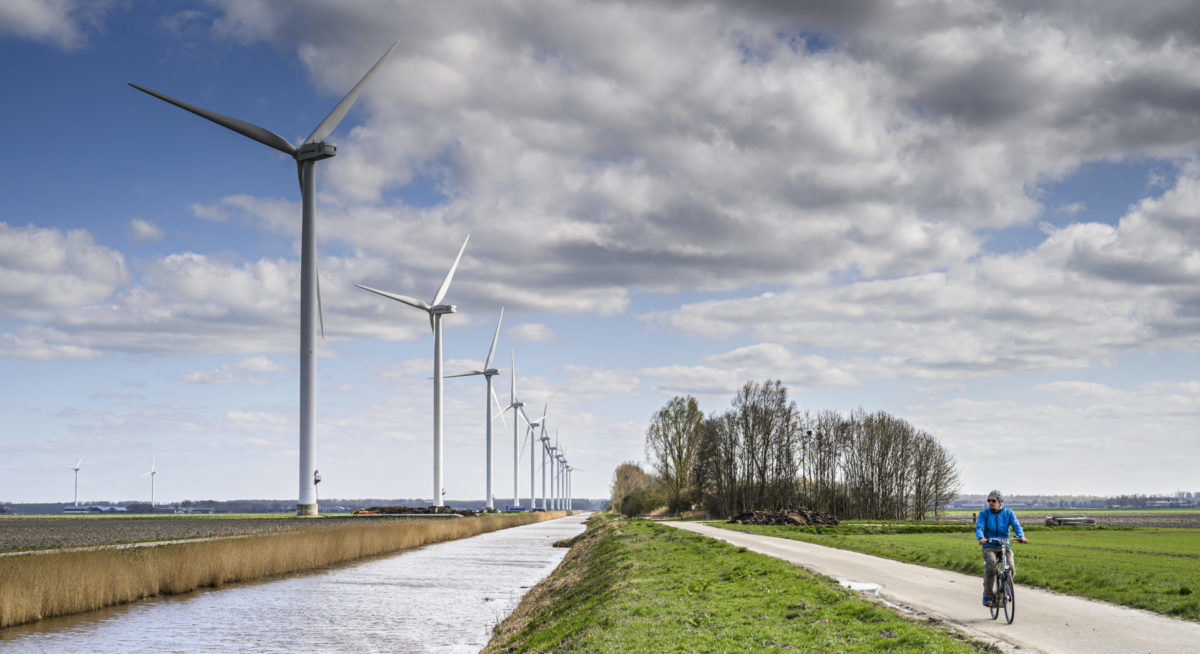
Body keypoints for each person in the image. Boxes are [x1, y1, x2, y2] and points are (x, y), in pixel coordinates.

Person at [975, 489, 1027, 606]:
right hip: (989, 546)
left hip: (1004, 545)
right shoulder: (984, 514)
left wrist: (1021, 536)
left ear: (999, 501)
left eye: (993, 500)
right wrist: (981, 538)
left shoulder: (1008, 513)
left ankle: (1004, 592)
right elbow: (979, 528)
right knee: (992, 566)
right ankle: (987, 597)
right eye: (988, 500)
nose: (990, 502)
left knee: (1011, 568)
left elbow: (1016, 525)